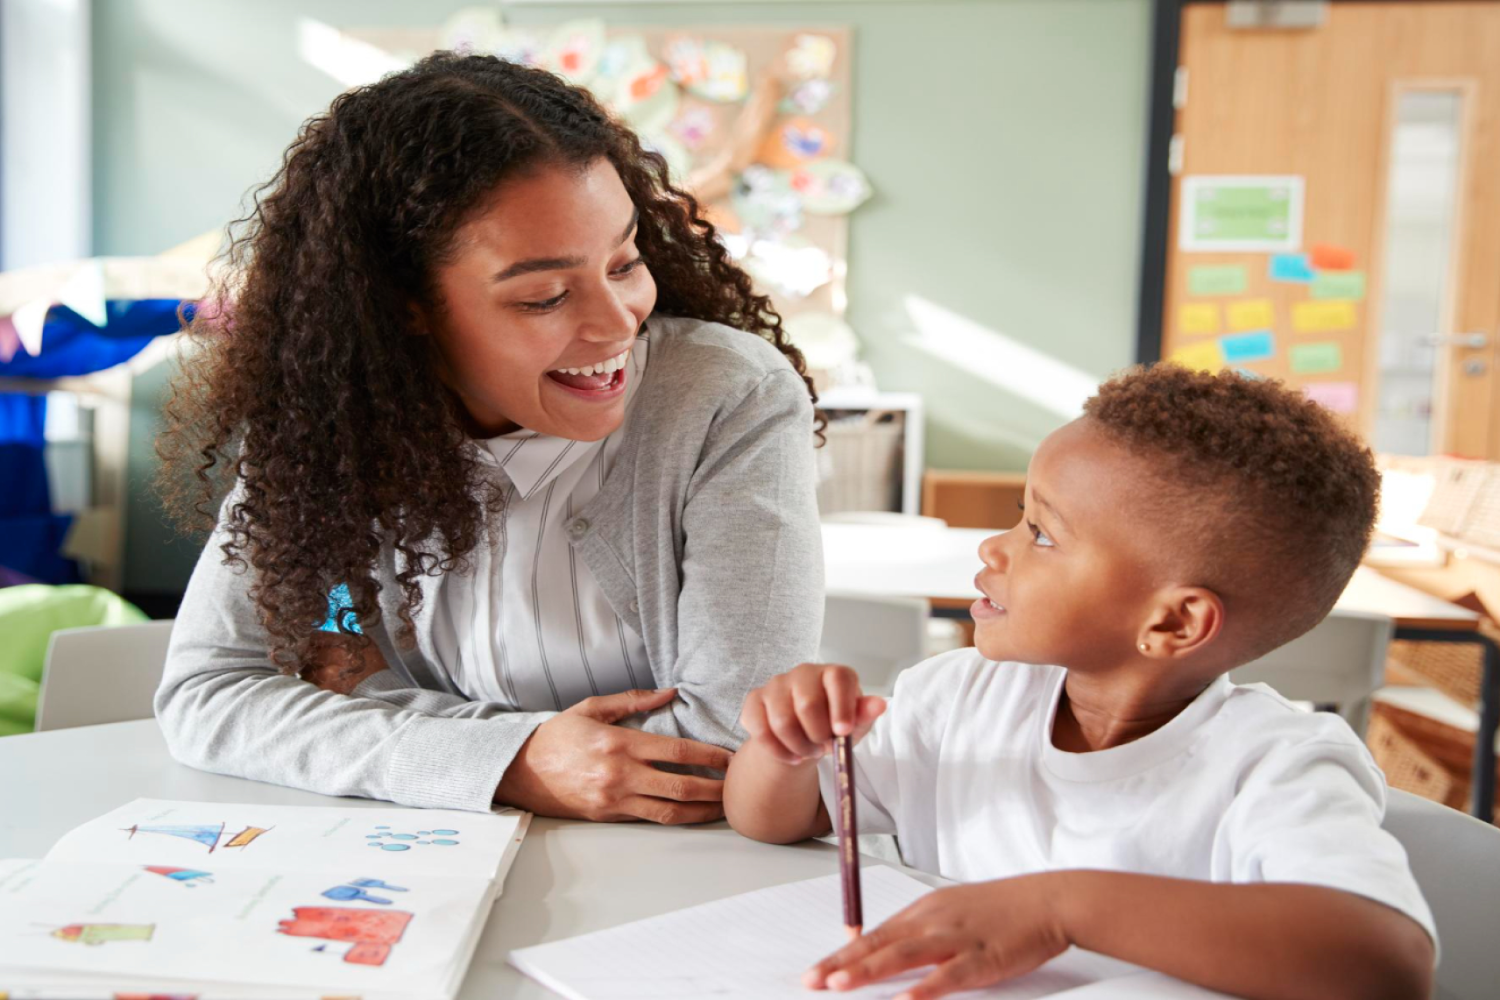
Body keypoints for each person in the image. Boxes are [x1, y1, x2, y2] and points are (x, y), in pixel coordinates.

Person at [154, 53, 824, 822]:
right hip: (412, 867)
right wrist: (517, 761)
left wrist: (370, 722)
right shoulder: (331, 424)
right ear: (407, 308)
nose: (617, 324)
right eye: (543, 296)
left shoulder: (725, 396)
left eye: (626, 261)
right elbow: (211, 693)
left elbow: (730, 747)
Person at [724, 366, 1435, 1000]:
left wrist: (1059, 908)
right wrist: (784, 749)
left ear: (1174, 623)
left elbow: (1386, 964)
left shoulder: (1275, 764)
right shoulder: (960, 697)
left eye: (1041, 533)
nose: (994, 546)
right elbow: (773, 818)